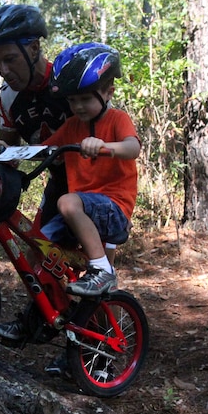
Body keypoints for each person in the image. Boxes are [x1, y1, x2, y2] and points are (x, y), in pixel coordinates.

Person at [0, 4, 74, 344]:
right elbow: (9, 150)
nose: (3, 70)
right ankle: (44, 320)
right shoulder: (9, 97)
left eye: (9, 60)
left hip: (98, 183)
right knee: (39, 254)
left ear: (33, 48)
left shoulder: (69, 79)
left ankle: (99, 349)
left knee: (96, 266)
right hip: (59, 184)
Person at [38, 42, 140, 299]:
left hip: (113, 209)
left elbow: (132, 148)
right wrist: (7, 150)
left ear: (108, 93)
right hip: (82, 210)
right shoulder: (72, 126)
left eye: (85, 99)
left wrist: (104, 146)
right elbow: (43, 150)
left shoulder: (118, 119)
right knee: (37, 246)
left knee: (68, 202)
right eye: (73, 100)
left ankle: (102, 269)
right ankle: (48, 315)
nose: (78, 106)